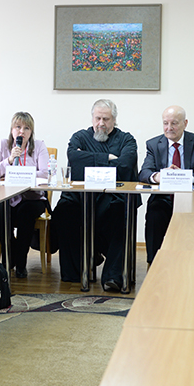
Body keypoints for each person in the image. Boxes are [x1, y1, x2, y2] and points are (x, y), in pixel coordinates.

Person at [51, 99, 140, 291]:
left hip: (114, 197)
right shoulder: (80, 137)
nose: (101, 123)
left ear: (114, 120)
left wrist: (88, 159)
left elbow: (125, 165)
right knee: (64, 211)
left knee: (121, 213)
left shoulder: (126, 139)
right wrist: (107, 158)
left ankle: (113, 277)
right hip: (82, 197)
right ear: (92, 118)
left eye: (106, 119)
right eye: (98, 118)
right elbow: (74, 159)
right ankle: (76, 271)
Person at [138, 105, 194, 264]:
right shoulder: (153, 144)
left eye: (174, 123)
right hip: (163, 198)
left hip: (191, 199)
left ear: (185, 123)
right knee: (155, 214)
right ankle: (154, 262)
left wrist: (183, 177)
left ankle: (191, 263)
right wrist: (159, 176)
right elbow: (144, 172)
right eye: (165, 123)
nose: (169, 128)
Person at [0, 111, 49, 278]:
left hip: (32, 198)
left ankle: (20, 263)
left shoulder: (39, 146)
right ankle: (12, 255)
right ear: (12, 129)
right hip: (7, 197)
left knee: (25, 213)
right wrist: (8, 161)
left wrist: (22, 173)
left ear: (31, 132)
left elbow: (44, 173)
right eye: (18, 127)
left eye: (26, 128)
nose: (21, 131)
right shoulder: (3, 145)